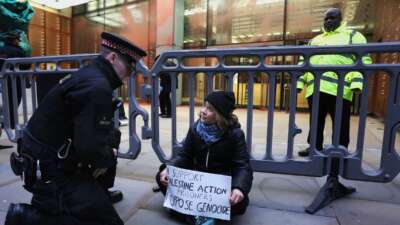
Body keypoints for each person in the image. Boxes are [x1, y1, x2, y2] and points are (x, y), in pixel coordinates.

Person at [5, 32, 146, 225]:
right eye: (129, 68)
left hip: (45, 155)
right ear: (112, 58)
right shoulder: (97, 86)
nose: (129, 75)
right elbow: (89, 148)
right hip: (49, 168)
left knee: (111, 138)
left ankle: (92, 195)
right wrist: (106, 155)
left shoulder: (90, 75)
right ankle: (26, 218)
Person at [155, 91, 253, 225]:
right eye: (204, 106)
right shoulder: (196, 129)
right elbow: (185, 155)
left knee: (240, 203)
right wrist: (169, 168)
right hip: (197, 184)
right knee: (162, 175)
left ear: (220, 115)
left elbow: (242, 166)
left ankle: (189, 214)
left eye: (210, 109)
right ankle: (199, 216)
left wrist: (239, 188)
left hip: (219, 186)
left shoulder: (235, 134)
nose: (203, 111)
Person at [297, 8, 372, 157]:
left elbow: (364, 60)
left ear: (340, 19)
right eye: (325, 19)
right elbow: (303, 61)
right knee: (315, 121)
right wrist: (300, 82)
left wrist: (357, 82)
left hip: (340, 89)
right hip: (315, 88)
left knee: (340, 122)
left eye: (332, 18)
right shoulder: (315, 40)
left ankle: (340, 150)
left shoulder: (353, 36)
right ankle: (314, 147)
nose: (328, 21)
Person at [0, 0, 34, 148]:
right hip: (16, 74)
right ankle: (8, 124)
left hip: (5, 73)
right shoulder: (19, 50)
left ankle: (6, 124)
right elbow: (26, 62)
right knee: (13, 101)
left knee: (7, 103)